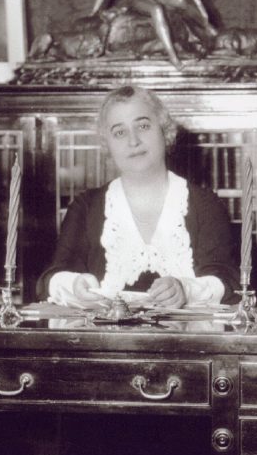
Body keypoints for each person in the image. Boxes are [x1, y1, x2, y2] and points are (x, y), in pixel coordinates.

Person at [36, 85, 239, 309]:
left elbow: (229, 282)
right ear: (107, 144)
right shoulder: (86, 207)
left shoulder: (205, 205)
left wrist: (185, 289)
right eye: (119, 132)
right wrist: (74, 285)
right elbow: (50, 280)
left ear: (165, 131)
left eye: (143, 125)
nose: (133, 141)